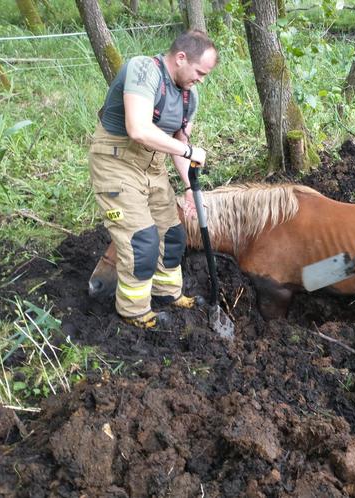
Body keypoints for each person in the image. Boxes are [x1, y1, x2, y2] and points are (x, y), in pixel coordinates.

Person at [88, 30, 218, 329]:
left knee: (172, 235)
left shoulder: (189, 95)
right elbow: (138, 129)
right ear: (181, 57)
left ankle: (167, 294)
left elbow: (181, 144)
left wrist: (188, 186)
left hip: (153, 166)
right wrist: (188, 149)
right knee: (141, 241)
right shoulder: (143, 70)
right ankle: (134, 312)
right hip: (116, 162)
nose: (201, 79)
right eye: (199, 72)